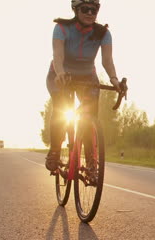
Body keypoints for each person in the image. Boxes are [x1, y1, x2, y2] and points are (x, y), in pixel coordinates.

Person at [45, 0, 121, 171]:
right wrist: (60, 73)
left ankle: (91, 162)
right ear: (75, 10)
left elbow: (107, 61)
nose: (90, 13)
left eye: (94, 10)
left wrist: (114, 79)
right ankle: (55, 151)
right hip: (60, 74)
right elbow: (58, 55)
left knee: (89, 117)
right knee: (60, 109)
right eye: (85, 9)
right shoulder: (62, 28)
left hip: (87, 77)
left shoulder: (103, 33)